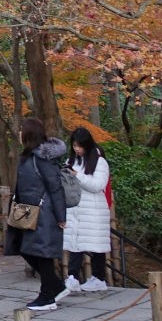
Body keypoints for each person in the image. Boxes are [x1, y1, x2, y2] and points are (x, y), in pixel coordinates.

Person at [4, 116, 68, 311]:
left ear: (29, 134)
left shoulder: (43, 158)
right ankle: (55, 286)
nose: (19, 133)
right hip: (28, 212)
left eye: (22, 130)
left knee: (41, 254)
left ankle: (47, 295)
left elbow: (55, 187)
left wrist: (61, 217)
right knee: (26, 249)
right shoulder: (28, 157)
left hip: (44, 213)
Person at [62, 126, 113, 295]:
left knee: (95, 244)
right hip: (75, 207)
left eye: (79, 146)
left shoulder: (100, 162)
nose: (76, 149)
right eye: (74, 145)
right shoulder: (72, 161)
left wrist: (76, 175)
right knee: (75, 242)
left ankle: (99, 278)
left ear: (87, 144)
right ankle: (73, 276)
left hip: (93, 209)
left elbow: (97, 185)